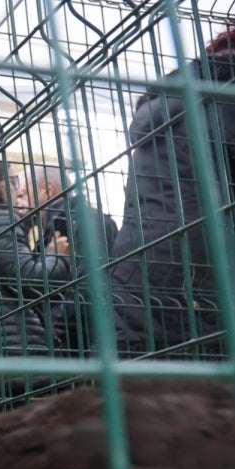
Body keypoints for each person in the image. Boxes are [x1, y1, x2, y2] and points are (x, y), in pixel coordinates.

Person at [108, 27, 235, 358]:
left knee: (140, 397)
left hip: (135, 274)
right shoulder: (226, 101)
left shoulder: (166, 104)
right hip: (198, 278)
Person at [0, 158, 72, 410]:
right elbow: (30, 280)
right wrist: (57, 256)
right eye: (12, 180)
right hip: (15, 356)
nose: (19, 189)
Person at [11, 163, 118, 352]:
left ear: (48, 190)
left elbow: (91, 289)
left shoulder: (86, 222)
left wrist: (53, 334)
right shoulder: (49, 233)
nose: (18, 202)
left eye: (23, 194)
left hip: (83, 346)